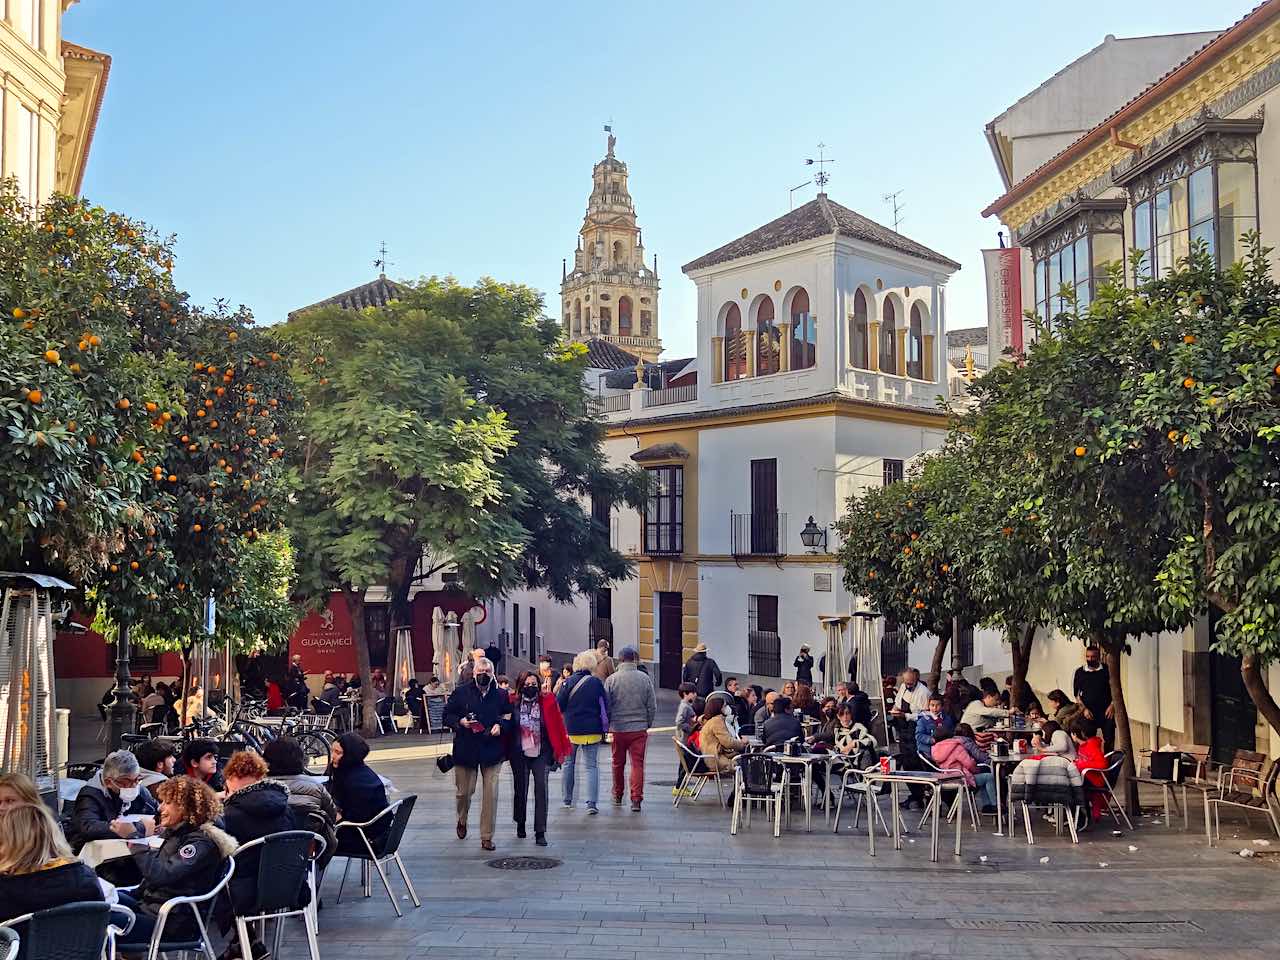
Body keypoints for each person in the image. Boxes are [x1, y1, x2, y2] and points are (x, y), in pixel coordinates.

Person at [115, 777, 237, 953]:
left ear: (186, 807)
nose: (160, 808)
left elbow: (161, 875)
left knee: (99, 918)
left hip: (171, 923)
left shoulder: (200, 842)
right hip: (154, 909)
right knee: (100, 897)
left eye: (167, 803)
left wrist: (134, 839)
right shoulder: (181, 833)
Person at [221, 749, 296, 946]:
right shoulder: (285, 807)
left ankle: (245, 943)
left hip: (246, 891)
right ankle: (243, 945)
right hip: (287, 885)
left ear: (232, 778)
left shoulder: (230, 815)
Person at [0, 802, 106, 932]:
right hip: (80, 950)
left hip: (19, 950)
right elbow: (99, 922)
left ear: (8, 841)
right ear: (53, 834)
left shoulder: (6, 888)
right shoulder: (84, 875)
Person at [442, 655, 511, 850]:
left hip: (491, 750)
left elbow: (508, 715)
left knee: (491, 793)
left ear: (493, 674)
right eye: (480, 672)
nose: (484, 675)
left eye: (487, 672)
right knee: (464, 792)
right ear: (473, 674)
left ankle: (486, 836)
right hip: (466, 749)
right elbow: (447, 715)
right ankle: (462, 819)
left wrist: (501, 725)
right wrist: (460, 722)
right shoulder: (461, 692)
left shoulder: (501, 695)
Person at [509, 670, 570, 846]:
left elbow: (558, 724)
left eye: (534, 684)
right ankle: (520, 822)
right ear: (521, 686)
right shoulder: (513, 702)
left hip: (541, 751)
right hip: (520, 752)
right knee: (521, 789)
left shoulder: (548, 701)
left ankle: (540, 831)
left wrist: (558, 750)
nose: (530, 688)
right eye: (527, 685)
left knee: (541, 789)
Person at [262, 737, 338, 876]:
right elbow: (332, 816)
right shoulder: (316, 787)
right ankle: (313, 885)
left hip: (264, 852)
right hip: (306, 850)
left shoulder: (257, 788)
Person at [68, 749, 158, 851]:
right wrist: (134, 828)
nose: (133, 786)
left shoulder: (140, 790)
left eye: (137, 779)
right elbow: (89, 827)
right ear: (108, 782)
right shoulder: (90, 795)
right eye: (125, 782)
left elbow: (157, 810)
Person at [604, 646, 656, 811]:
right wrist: (647, 723)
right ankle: (636, 800)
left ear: (619, 660)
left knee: (617, 763)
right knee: (637, 764)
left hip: (618, 728)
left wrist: (610, 724)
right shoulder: (645, 678)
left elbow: (606, 705)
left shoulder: (611, 680)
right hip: (638, 728)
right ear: (634, 660)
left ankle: (618, 794)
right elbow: (651, 705)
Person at [556, 650, 608, 815]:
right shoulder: (596, 682)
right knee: (591, 766)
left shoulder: (568, 682)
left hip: (571, 729)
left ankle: (567, 799)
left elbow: (559, 705)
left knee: (568, 764)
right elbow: (605, 705)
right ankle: (591, 803)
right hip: (592, 729)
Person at [327, 732, 389, 854]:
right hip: (378, 835)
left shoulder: (356, 783)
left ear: (350, 755)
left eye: (338, 753)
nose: (332, 757)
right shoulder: (361, 772)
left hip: (364, 839)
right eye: (332, 751)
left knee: (310, 840)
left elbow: (354, 819)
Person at [932, 723, 998, 813]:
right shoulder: (956, 747)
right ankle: (994, 805)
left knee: (984, 778)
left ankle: (987, 806)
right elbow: (969, 764)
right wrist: (976, 770)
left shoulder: (936, 749)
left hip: (946, 778)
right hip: (961, 779)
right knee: (988, 777)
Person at [1073, 645, 1115, 751]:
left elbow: (1116, 690)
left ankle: (1108, 764)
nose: (1090, 659)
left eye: (1093, 657)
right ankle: (1093, 761)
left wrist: (1112, 705)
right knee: (1089, 741)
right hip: (1088, 713)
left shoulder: (1107, 670)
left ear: (1099, 656)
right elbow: (1077, 695)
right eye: (1087, 657)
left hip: (1106, 712)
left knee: (1109, 740)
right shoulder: (1080, 672)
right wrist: (1084, 709)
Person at [1071, 718, 1109, 822]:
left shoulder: (1091, 746)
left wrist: (1080, 764)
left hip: (1093, 780)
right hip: (1090, 778)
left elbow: (1102, 764)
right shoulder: (1085, 745)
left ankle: (1080, 818)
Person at [697, 694, 746, 773]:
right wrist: (742, 744)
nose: (727, 708)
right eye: (725, 706)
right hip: (716, 760)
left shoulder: (709, 721)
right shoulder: (717, 721)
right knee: (745, 762)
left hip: (708, 758)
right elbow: (728, 742)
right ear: (719, 708)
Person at [827, 704, 878, 769]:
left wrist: (854, 743)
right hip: (842, 761)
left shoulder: (858, 727)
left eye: (847, 713)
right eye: (841, 714)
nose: (845, 717)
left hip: (858, 761)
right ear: (838, 716)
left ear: (851, 714)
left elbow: (871, 742)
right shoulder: (837, 730)